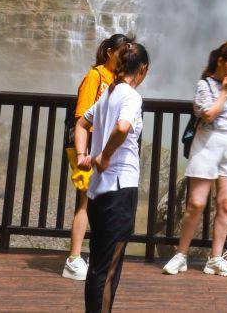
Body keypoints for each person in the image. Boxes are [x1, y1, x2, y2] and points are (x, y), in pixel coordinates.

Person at [161, 40, 227, 278]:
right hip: (206, 145)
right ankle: (181, 254)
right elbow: (209, 114)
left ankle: (215, 258)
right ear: (220, 61)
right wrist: (224, 91)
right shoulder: (205, 85)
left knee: (226, 204)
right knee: (196, 203)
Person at [74, 41, 150, 313]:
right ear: (142, 69)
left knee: (98, 265)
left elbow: (81, 122)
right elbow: (123, 127)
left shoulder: (107, 94)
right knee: (108, 270)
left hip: (99, 191)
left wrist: (85, 155)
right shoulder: (130, 96)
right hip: (119, 189)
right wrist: (104, 157)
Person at [63, 32, 133, 281]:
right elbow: (82, 115)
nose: (126, 57)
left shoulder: (117, 81)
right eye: (122, 52)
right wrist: (85, 152)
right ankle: (73, 259)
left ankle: (90, 253)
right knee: (85, 200)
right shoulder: (94, 76)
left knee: (98, 202)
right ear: (109, 53)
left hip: (102, 149)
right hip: (88, 147)